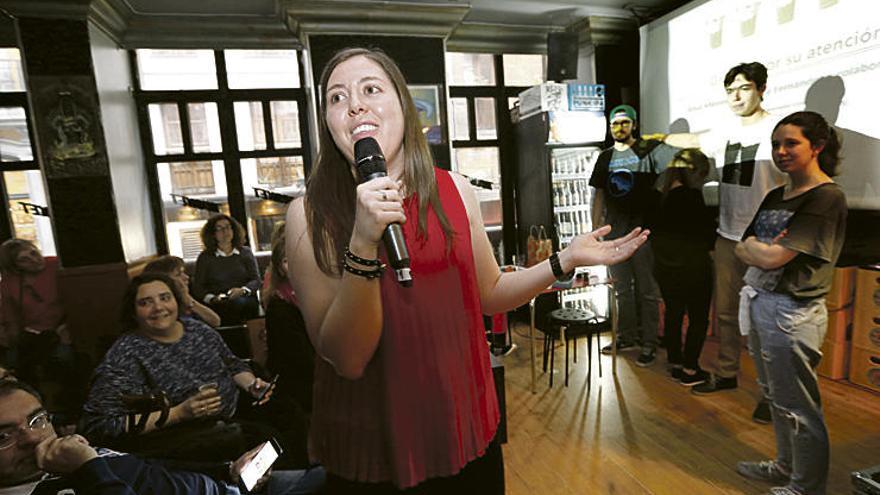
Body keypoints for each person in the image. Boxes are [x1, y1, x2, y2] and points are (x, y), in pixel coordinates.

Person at [285, 47, 649, 494]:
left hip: (465, 428)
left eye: (371, 89)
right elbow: (348, 357)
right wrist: (363, 241)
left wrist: (564, 260)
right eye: (337, 97)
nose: (355, 104)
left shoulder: (454, 190)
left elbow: (491, 291)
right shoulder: (308, 214)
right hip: (373, 445)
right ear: (328, 122)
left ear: (402, 103)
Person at [665, 62, 786, 423]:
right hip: (726, 236)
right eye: (730, 89)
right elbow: (694, 144)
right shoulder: (724, 129)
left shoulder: (777, 130)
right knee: (726, 314)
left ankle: (771, 394)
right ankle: (727, 372)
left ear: (761, 89)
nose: (736, 95)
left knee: (765, 321)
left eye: (744, 88)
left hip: (765, 241)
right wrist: (660, 140)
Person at [733, 111, 846, 495]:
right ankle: (784, 466)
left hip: (792, 312)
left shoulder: (826, 197)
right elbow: (741, 246)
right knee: (775, 396)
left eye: (791, 143)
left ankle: (806, 486)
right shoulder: (776, 194)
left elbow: (770, 258)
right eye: (776, 144)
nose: (781, 151)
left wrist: (760, 248)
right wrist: (761, 247)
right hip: (762, 301)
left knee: (799, 404)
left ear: (817, 147)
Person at [0, 378, 325, 495]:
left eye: (37, 420)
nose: (32, 438)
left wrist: (226, 470)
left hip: (225, 488)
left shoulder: (70, 460)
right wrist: (88, 468)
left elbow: (150, 468)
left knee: (331, 477)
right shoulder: (69, 474)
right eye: (4, 436)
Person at [80, 273, 274, 462]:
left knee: (285, 411)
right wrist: (179, 413)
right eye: (145, 302)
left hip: (236, 412)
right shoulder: (126, 353)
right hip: (185, 436)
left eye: (165, 298)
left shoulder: (198, 330)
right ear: (133, 312)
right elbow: (98, 425)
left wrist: (251, 385)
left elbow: (232, 365)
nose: (158, 307)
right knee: (259, 437)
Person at [590, 104, 678, 367]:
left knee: (648, 290)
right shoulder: (605, 157)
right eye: (614, 124)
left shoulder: (648, 151)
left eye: (624, 123)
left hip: (643, 230)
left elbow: (674, 169)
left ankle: (650, 343)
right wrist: (596, 231)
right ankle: (627, 336)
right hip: (615, 231)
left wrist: (659, 195)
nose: (619, 128)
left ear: (634, 125)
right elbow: (599, 195)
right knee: (621, 290)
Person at [651, 149, 715, 386]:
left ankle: (675, 363)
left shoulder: (659, 196)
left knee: (674, 314)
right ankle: (690, 369)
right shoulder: (693, 198)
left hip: (665, 268)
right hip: (695, 268)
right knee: (698, 319)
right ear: (695, 172)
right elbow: (708, 238)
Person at [0, 240, 79, 423]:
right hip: (33, 334)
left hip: (61, 330)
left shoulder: (54, 265)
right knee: (13, 364)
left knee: (64, 357)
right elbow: (10, 317)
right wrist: (11, 339)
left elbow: (77, 297)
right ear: (15, 265)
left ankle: (69, 409)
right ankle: (32, 409)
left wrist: (68, 325)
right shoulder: (10, 283)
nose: (34, 259)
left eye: (33, 252)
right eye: (24, 259)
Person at [264, 222, 314, 414]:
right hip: (297, 383)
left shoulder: (317, 292)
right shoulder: (279, 305)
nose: (294, 265)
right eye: (286, 260)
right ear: (280, 268)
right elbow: (299, 360)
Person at [192, 215, 261, 325]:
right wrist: (212, 298)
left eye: (228, 227)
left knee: (240, 304)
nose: (225, 231)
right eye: (220, 228)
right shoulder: (205, 257)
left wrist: (243, 290)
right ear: (213, 234)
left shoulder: (245, 252)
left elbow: (256, 280)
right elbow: (198, 287)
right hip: (218, 302)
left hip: (244, 298)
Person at [142, 255, 222, 327]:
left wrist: (188, 299)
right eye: (178, 274)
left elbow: (215, 321)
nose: (186, 277)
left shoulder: (184, 297)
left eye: (183, 272)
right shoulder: (163, 308)